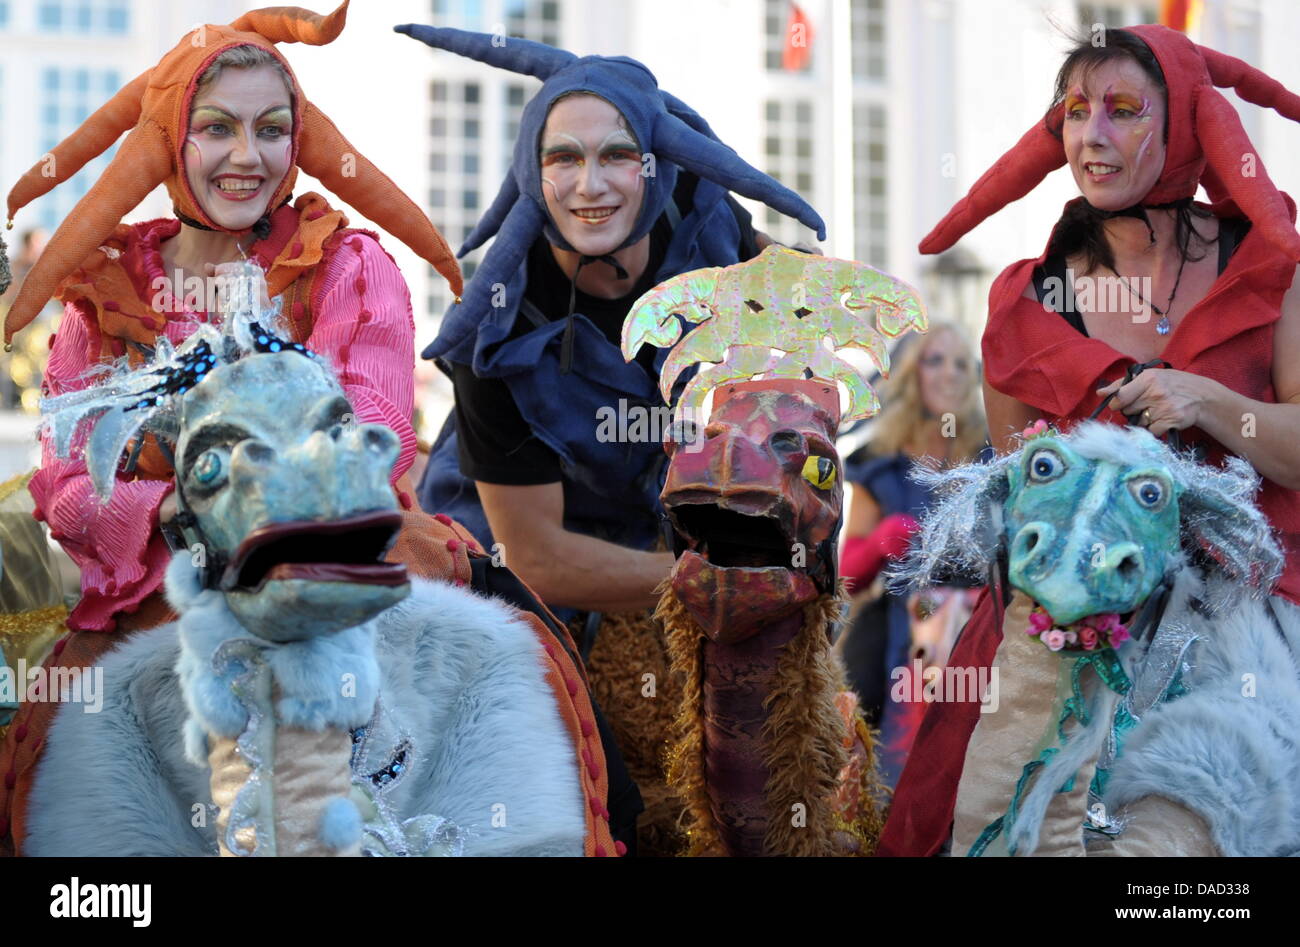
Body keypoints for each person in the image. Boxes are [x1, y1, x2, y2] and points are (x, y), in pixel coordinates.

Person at [0, 2, 480, 856]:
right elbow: (67, 485)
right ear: (171, 143)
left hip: (336, 591)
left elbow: (374, 434)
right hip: (152, 611)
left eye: (271, 128)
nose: (247, 157)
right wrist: (181, 507)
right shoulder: (102, 292)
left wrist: (220, 484)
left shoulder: (347, 264)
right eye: (217, 128)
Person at [878, 24, 1300, 856]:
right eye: (1074, 112)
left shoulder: (1274, 269)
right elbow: (1011, 504)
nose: (1091, 136)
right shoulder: (1023, 304)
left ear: (1183, 128)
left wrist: (1207, 400)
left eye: (1122, 110)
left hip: (1253, 630)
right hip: (1067, 636)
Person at [396, 24, 826, 618]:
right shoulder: (494, 328)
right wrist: (724, 577)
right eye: (563, 157)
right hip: (516, 585)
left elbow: (789, 289)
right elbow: (534, 558)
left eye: (618, 155)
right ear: (532, 170)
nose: (589, 186)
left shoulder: (705, 219)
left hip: (665, 530)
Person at [838, 322, 987, 785]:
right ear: (910, 373)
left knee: (974, 767)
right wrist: (884, 539)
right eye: (935, 360)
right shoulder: (878, 461)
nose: (950, 374)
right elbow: (847, 578)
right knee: (895, 770)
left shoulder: (991, 459)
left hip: (978, 636)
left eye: (962, 363)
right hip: (902, 637)